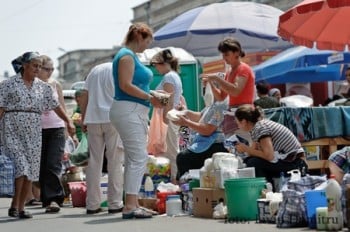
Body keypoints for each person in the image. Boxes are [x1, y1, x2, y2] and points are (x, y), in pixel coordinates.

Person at [0, 52, 75, 219]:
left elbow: (56, 106)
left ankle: (16, 206)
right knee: (22, 166)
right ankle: (18, 206)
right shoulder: (8, 84)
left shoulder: (43, 87)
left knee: (31, 170)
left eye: (40, 66)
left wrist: (68, 122)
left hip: (34, 130)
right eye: (35, 65)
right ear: (24, 65)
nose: (38, 69)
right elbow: (1, 107)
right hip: (12, 130)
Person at [109, 22, 162, 219]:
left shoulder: (128, 56)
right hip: (129, 109)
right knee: (138, 157)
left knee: (134, 158)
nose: (147, 46)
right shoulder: (126, 56)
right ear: (140, 37)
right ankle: (130, 205)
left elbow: (131, 85)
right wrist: (150, 97)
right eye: (148, 41)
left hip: (131, 109)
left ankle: (133, 202)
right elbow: (125, 85)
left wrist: (152, 94)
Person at [80, 62, 124, 215]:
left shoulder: (94, 70)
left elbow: (83, 95)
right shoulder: (119, 70)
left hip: (93, 118)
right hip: (113, 118)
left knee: (94, 162)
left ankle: (92, 204)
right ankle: (115, 203)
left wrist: (83, 118)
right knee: (115, 161)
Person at [234, 104, 308, 186]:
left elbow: (269, 156)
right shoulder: (257, 128)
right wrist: (245, 150)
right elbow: (252, 152)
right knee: (249, 160)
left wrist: (246, 149)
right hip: (288, 160)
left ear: (244, 122)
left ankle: (266, 191)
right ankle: (268, 188)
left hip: (296, 163)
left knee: (253, 163)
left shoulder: (261, 128)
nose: (238, 126)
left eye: (238, 123)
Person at [201, 37, 255, 138]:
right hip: (233, 113)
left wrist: (217, 79)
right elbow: (221, 97)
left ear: (237, 53)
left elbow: (235, 91)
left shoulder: (243, 69)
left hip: (245, 114)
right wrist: (211, 84)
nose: (224, 57)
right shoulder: (229, 72)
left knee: (243, 147)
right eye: (223, 54)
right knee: (233, 146)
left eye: (226, 54)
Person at [37, 55, 67, 213]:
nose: (49, 72)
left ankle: (54, 199)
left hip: (56, 127)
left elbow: (62, 106)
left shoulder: (56, 85)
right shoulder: (32, 85)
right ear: (38, 68)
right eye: (46, 69)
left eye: (52, 69)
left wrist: (68, 127)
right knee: (41, 165)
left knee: (53, 163)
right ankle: (46, 197)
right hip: (37, 129)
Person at [150, 49, 183, 181]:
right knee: (171, 149)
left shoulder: (169, 77)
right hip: (171, 115)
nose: (156, 69)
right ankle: (175, 178)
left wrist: (165, 118)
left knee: (171, 150)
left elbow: (169, 98)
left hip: (168, 116)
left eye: (156, 65)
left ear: (162, 63)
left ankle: (175, 179)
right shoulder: (174, 75)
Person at [174, 100, 228, 180]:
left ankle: (188, 187)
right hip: (204, 142)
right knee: (183, 157)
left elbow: (208, 130)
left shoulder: (222, 106)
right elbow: (201, 116)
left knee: (183, 157)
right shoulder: (214, 102)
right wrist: (185, 112)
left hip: (216, 144)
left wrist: (187, 122)